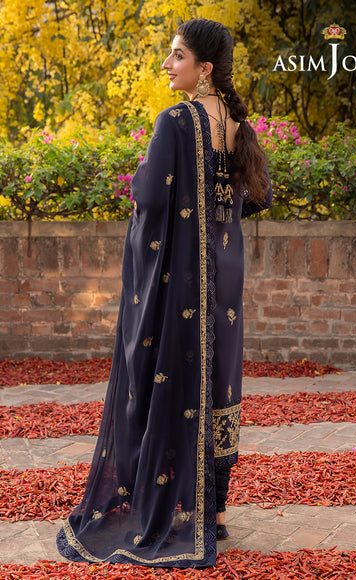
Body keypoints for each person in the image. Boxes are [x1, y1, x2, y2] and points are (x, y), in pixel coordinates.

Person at [56, 17, 272, 568]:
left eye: (177, 55)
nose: (167, 64)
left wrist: (143, 180)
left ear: (205, 68)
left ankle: (163, 506)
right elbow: (254, 198)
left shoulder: (176, 121)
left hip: (183, 283)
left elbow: (150, 196)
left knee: (163, 377)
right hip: (226, 277)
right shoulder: (239, 126)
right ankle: (215, 514)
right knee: (218, 381)